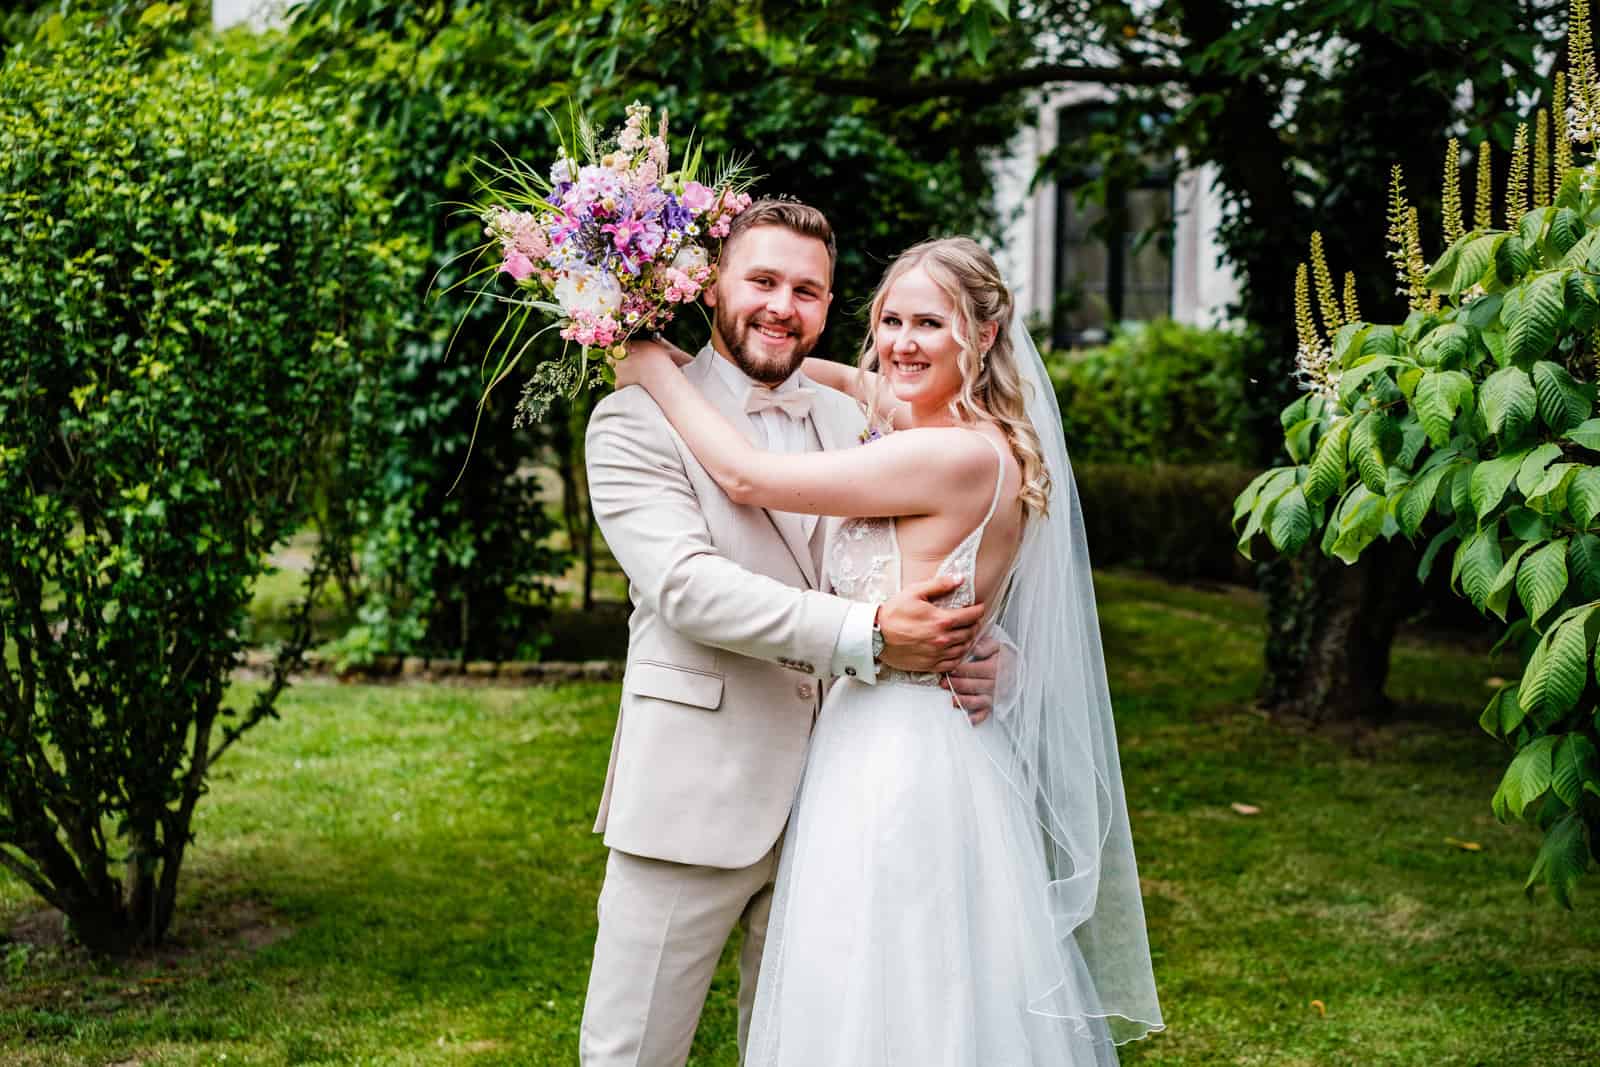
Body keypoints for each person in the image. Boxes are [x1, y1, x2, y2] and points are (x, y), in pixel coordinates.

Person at [614, 235, 1164, 1063]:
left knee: (887, 986)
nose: (903, 342)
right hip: (891, 739)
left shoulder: (946, 453)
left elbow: (748, 478)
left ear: (979, 336)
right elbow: (845, 380)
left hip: (897, 758)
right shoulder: (958, 430)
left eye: (930, 324)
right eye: (891, 319)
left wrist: (645, 357)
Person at [579, 201, 1007, 1067]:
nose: (783, 306)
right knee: (632, 1053)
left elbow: (924, 551)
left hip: (846, 797)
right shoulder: (635, 416)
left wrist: (983, 649)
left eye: (807, 291)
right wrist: (872, 634)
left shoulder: (863, 421)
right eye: (763, 280)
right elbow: (689, 588)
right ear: (710, 286)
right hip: (696, 793)